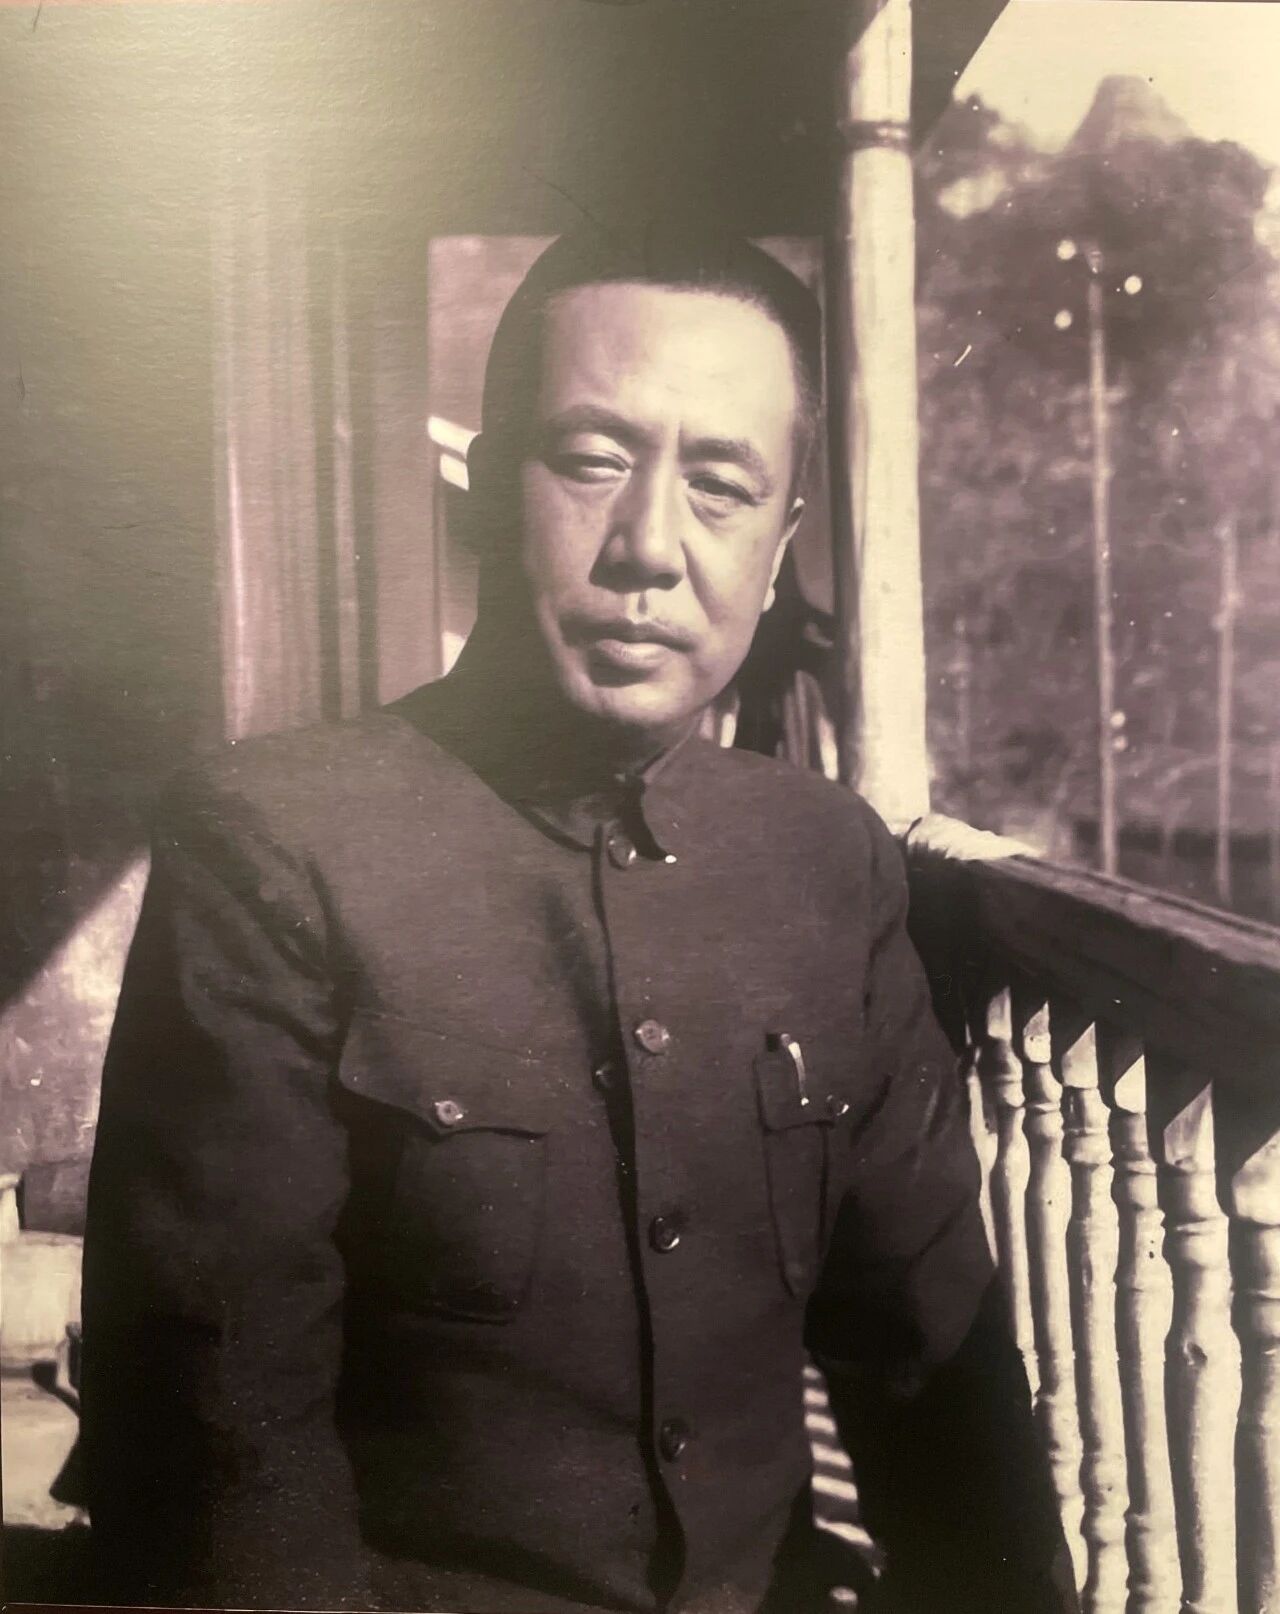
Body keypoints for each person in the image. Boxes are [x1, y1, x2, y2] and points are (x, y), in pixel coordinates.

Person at [81, 226, 1076, 1614]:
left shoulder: (826, 862)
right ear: (488, 490)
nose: (650, 547)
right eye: (592, 459)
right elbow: (224, 1435)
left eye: (722, 485)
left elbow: (930, 1365)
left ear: (781, 548)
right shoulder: (279, 841)